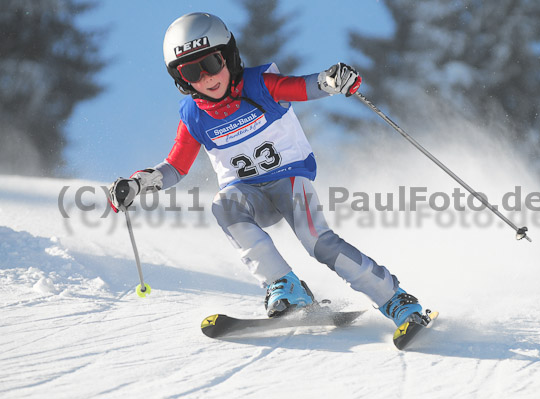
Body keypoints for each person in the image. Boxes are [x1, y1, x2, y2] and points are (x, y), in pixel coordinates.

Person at [108, 12, 423, 328]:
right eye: (192, 71)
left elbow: (302, 87)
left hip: (289, 182)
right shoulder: (195, 116)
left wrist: (331, 81)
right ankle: (285, 285)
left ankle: (395, 298)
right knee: (224, 205)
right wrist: (138, 184)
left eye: (213, 63)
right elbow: (176, 165)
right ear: (181, 79)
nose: (206, 77)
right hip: (249, 197)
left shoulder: (260, 86)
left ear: (229, 57)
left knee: (318, 241)